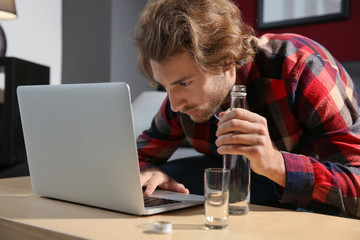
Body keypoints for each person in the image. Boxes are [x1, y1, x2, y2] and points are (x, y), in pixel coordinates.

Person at [133, 0, 360, 218]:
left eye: (184, 83)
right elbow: (137, 156)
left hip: (312, 179)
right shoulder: (181, 98)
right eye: (165, 86)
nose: (174, 104)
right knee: (162, 181)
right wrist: (150, 170)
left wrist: (275, 163)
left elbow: (356, 189)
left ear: (225, 60)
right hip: (240, 179)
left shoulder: (302, 69)